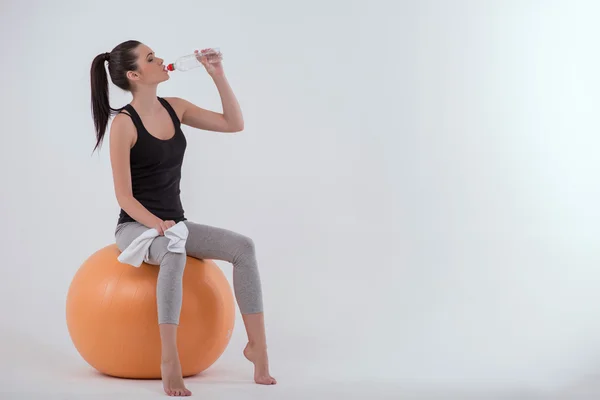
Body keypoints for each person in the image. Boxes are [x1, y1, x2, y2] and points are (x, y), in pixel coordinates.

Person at [89, 40, 276, 397]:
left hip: (175, 224)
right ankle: (170, 360)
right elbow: (124, 197)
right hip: (135, 226)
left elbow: (233, 124)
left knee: (243, 248)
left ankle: (258, 348)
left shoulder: (176, 108)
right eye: (150, 58)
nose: (161, 60)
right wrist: (157, 225)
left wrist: (217, 75)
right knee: (173, 253)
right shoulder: (123, 126)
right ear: (134, 75)